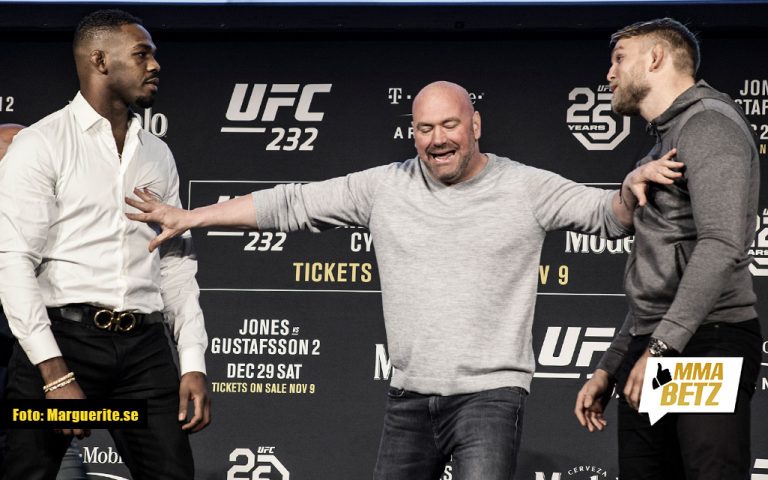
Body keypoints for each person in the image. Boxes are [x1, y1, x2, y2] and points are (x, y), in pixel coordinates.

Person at [126, 80, 679, 480]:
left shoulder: (525, 187)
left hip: (489, 397)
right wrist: (189, 216)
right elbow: (290, 203)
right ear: (411, 132)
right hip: (407, 398)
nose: (438, 139)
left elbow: (607, 216)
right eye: (424, 128)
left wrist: (632, 186)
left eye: (449, 125)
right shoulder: (385, 187)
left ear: (475, 126)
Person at [0, 10, 210, 480]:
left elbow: (176, 265)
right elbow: (13, 263)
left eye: (152, 54)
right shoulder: (41, 144)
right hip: (62, 341)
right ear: (99, 60)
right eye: (142, 54)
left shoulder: (158, 153)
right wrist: (54, 373)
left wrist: (191, 361)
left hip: (145, 349)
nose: (154, 64)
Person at [574, 18, 761, 480]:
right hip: (663, 343)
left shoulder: (708, 125)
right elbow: (660, 279)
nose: (609, 74)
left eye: (619, 59)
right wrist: (611, 366)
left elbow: (721, 245)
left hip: (705, 342)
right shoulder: (662, 145)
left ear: (655, 58)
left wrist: (660, 348)